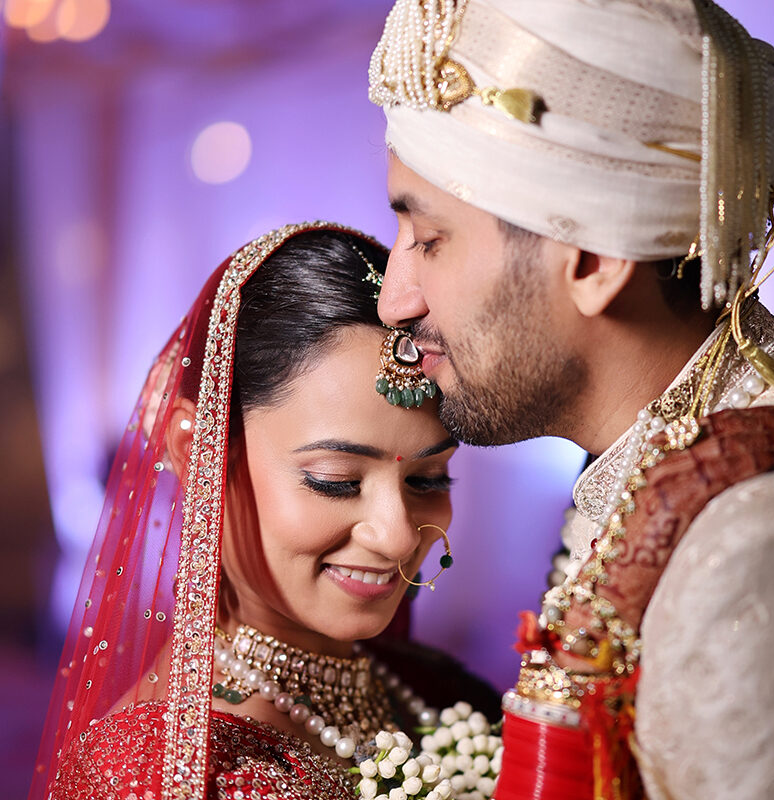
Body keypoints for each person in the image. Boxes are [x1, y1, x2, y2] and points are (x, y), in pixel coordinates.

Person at [367, 1, 774, 797]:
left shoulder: (763, 550)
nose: (395, 300)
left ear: (593, 259)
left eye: (429, 240)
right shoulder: (671, 444)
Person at [28, 223, 500, 800]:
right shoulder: (161, 776)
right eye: (336, 481)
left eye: (428, 479)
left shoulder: (435, 690)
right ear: (197, 450)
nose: (398, 536)